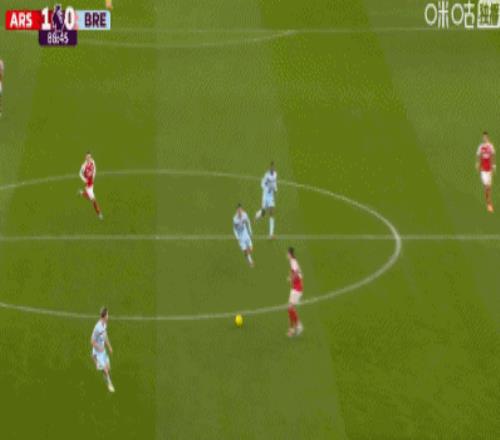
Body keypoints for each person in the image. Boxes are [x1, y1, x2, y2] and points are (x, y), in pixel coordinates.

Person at [91, 307, 115, 392]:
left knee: (108, 367)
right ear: (104, 316)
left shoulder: (104, 324)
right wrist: (99, 347)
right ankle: (109, 385)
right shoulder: (97, 328)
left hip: (103, 350)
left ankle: (97, 363)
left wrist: (109, 346)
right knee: (105, 370)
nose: (108, 316)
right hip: (98, 351)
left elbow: (105, 336)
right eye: (107, 314)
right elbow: (92, 341)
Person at [255, 161, 277, 238]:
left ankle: (271, 234)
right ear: (270, 167)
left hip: (271, 197)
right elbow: (262, 184)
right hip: (265, 196)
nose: (272, 168)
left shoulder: (275, 174)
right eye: (271, 167)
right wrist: (267, 188)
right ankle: (257, 215)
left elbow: (274, 183)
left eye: (273, 167)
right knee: (263, 212)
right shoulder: (266, 175)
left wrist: (275, 189)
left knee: (271, 212)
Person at [79, 152, 103, 219]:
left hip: (92, 183)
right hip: (88, 186)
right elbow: (80, 174)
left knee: (90, 198)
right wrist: (85, 180)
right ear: (85, 157)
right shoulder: (83, 166)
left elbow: (94, 169)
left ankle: (81, 193)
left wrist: (94, 176)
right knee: (93, 200)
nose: (88, 158)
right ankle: (99, 213)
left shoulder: (92, 161)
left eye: (89, 157)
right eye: (87, 157)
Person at [476, 131, 496, 213]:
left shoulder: (490, 146)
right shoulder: (480, 147)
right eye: (483, 137)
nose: (484, 138)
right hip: (483, 170)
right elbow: (478, 155)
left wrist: (494, 165)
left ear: (488, 137)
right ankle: (489, 204)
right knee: (486, 187)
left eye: (486, 137)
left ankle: (488, 200)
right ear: (483, 138)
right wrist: (477, 163)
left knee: (489, 188)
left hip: (489, 169)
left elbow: (493, 155)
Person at [286, 247, 304, 337]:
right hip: (295, 287)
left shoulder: (293, 262)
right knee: (290, 308)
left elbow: (297, 273)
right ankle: (294, 328)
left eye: (287, 253)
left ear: (290, 254)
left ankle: (297, 327)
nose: (286, 255)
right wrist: (290, 276)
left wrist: (291, 279)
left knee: (290, 308)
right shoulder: (293, 261)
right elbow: (296, 272)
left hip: (297, 288)